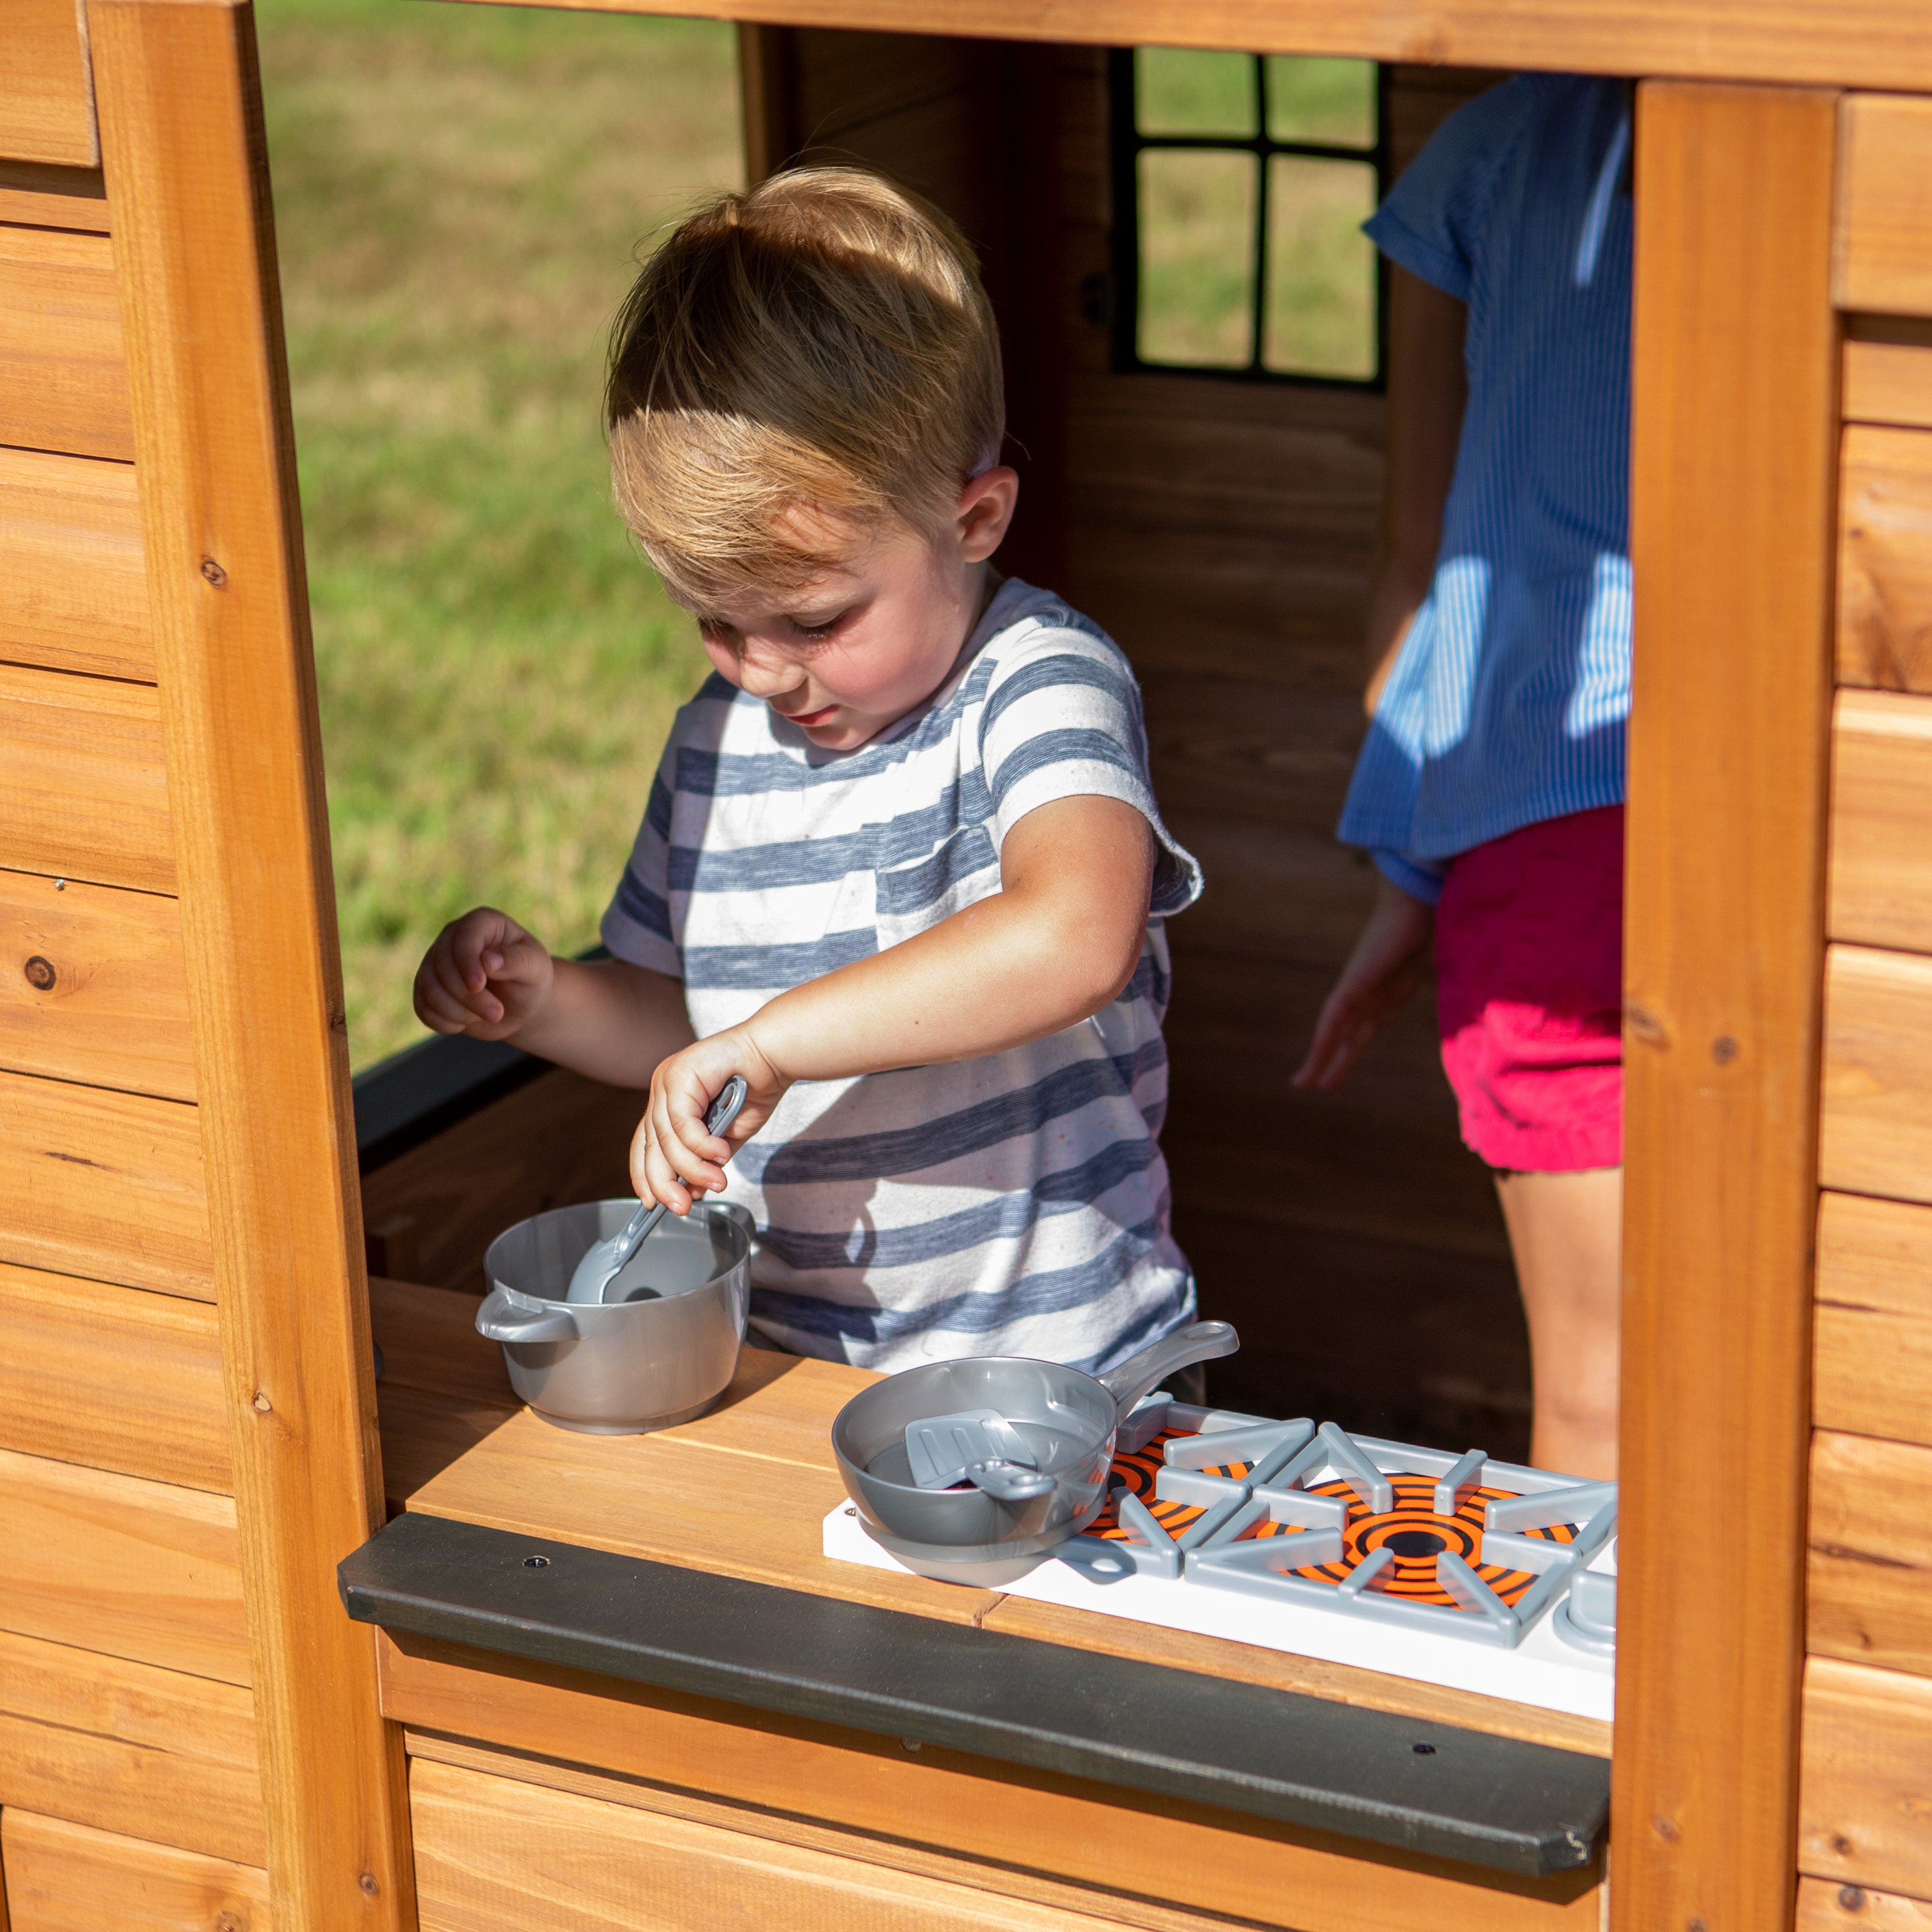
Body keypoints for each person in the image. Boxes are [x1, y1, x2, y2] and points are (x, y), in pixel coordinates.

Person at [415, 168, 1202, 1377]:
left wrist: (775, 1046)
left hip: (1063, 1373)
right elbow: (692, 1025)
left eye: (818, 619)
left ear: (977, 519)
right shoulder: (718, 741)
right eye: (715, 623)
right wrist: (545, 1001)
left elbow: (1074, 936)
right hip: (788, 1364)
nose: (766, 671)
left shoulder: (1039, 681)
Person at [1294, 76, 1633, 1480]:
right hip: (1810, 799)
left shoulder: (1492, 145)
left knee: (1601, 1396)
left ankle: (1568, 1705)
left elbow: (1418, 562)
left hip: (1536, 826)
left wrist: (1410, 862)